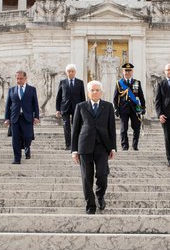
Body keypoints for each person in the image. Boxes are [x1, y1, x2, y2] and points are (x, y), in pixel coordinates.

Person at [71, 80, 117, 214]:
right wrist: (74, 150)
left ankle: (100, 195)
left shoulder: (108, 107)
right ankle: (90, 205)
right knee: (86, 177)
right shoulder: (81, 106)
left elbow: (111, 128)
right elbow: (75, 129)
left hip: (102, 146)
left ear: (101, 92)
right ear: (88, 92)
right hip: (84, 146)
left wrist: (113, 148)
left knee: (102, 174)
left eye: (97, 90)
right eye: (92, 90)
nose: (95, 92)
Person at [4, 70, 40, 164]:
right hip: (15, 118)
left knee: (28, 137)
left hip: (27, 117)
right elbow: (8, 105)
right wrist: (7, 118)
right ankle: (17, 159)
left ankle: (27, 147)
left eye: (21, 78)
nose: (19, 80)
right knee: (15, 139)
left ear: (25, 78)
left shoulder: (32, 89)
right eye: (17, 78)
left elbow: (35, 104)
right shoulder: (12, 90)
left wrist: (36, 116)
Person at [113, 62, 146, 151]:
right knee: (124, 128)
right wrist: (116, 108)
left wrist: (143, 108)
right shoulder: (119, 83)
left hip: (135, 108)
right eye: (126, 71)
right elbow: (115, 98)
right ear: (123, 72)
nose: (127, 73)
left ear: (132, 72)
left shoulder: (137, 82)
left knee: (136, 127)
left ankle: (135, 146)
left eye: (129, 71)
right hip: (123, 109)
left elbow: (141, 97)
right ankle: (124, 146)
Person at [56, 64, 86, 150]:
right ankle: (68, 145)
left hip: (76, 108)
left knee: (76, 126)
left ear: (75, 72)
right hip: (64, 107)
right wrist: (57, 109)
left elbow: (82, 97)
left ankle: (75, 145)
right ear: (66, 72)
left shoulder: (80, 83)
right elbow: (58, 97)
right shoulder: (62, 82)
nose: (70, 73)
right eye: (69, 71)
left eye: (72, 71)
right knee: (66, 126)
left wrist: (83, 110)